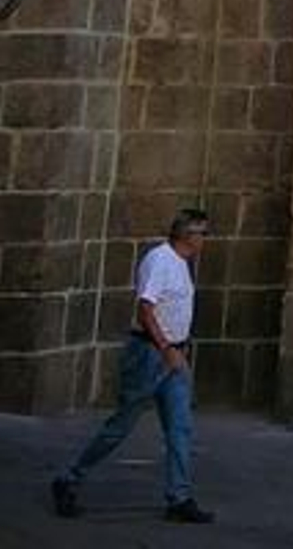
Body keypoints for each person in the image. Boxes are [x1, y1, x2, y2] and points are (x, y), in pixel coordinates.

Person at [51, 206, 214, 525]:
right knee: (121, 426)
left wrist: (177, 350)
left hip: (175, 354)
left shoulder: (182, 264)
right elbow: (145, 309)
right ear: (187, 235)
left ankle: (179, 497)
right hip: (152, 353)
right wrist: (166, 348)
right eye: (203, 233)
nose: (206, 240)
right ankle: (69, 478)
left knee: (180, 428)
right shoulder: (161, 261)